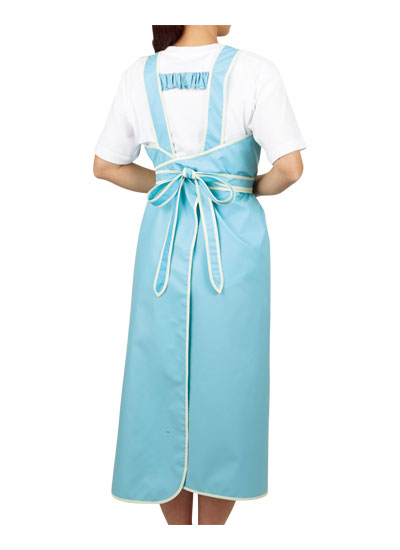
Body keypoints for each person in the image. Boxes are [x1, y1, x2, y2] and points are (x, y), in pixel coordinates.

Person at [93, 24, 306, 525]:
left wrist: (170, 179)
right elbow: (291, 168)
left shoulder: (138, 75)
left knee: (157, 374)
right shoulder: (254, 71)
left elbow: (106, 165)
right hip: (231, 245)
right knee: (229, 378)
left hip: (163, 240)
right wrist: (245, 185)